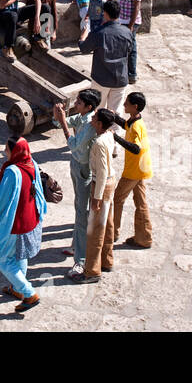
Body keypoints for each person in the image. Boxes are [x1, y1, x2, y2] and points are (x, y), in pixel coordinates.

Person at [0, 136, 47, 313]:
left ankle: (29, 293)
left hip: (16, 222)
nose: (5, 152)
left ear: (15, 151)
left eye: (7, 149)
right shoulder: (31, 162)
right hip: (30, 217)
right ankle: (17, 289)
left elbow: (2, 198)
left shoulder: (12, 171)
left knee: (3, 259)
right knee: (20, 256)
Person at [53, 88, 100, 277]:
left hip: (83, 169)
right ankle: (76, 245)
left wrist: (63, 121)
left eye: (79, 103)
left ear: (89, 107)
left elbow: (72, 143)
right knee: (78, 207)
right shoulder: (82, 116)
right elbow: (57, 124)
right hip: (76, 164)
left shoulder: (89, 124)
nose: (75, 105)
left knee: (82, 213)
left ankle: (81, 260)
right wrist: (57, 115)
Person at [71, 108, 118, 282]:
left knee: (95, 230)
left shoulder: (98, 143)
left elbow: (103, 171)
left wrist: (97, 198)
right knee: (108, 223)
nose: (91, 120)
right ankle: (107, 260)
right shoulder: (109, 135)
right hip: (110, 182)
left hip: (102, 184)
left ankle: (92, 271)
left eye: (95, 118)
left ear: (99, 124)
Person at [110, 92, 153, 249]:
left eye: (126, 103)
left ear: (134, 107)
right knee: (140, 203)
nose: (124, 105)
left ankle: (113, 231)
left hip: (133, 170)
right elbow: (125, 125)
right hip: (141, 168)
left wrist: (115, 137)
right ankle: (144, 237)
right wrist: (115, 117)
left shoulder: (136, 127)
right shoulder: (136, 120)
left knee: (118, 199)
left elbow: (135, 148)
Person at [78, 0, 135, 108]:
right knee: (115, 113)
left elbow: (84, 49)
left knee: (98, 111)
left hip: (101, 79)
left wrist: (82, 37)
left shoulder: (99, 33)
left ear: (105, 13)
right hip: (120, 78)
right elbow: (130, 49)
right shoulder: (127, 32)